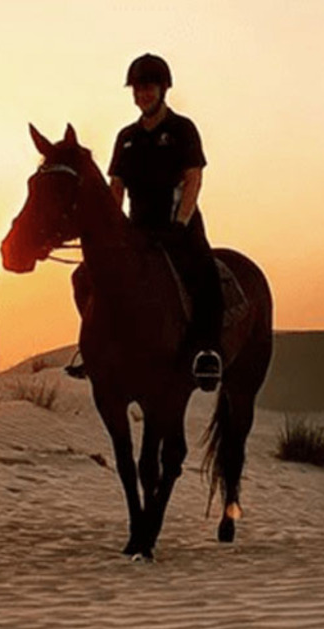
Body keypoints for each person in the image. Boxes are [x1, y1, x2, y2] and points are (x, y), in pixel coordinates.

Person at [107, 53, 224, 390]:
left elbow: (193, 179)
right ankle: (101, 350)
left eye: (149, 87)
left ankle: (207, 353)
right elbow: (116, 187)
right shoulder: (126, 137)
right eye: (138, 88)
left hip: (178, 227)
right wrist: (115, 229)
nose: (142, 94)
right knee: (94, 277)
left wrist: (180, 223)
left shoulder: (182, 129)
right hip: (138, 227)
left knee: (205, 276)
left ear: (163, 89)